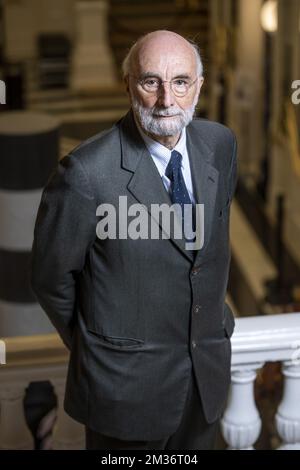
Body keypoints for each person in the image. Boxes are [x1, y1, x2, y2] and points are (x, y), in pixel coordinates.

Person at [30, 30, 237, 450]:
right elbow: (51, 279)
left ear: (198, 85)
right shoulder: (85, 174)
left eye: (180, 81)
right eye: (150, 82)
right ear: (127, 85)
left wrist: (215, 325)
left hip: (204, 382)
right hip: (123, 395)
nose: (167, 100)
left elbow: (203, 256)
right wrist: (100, 347)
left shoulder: (220, 145)